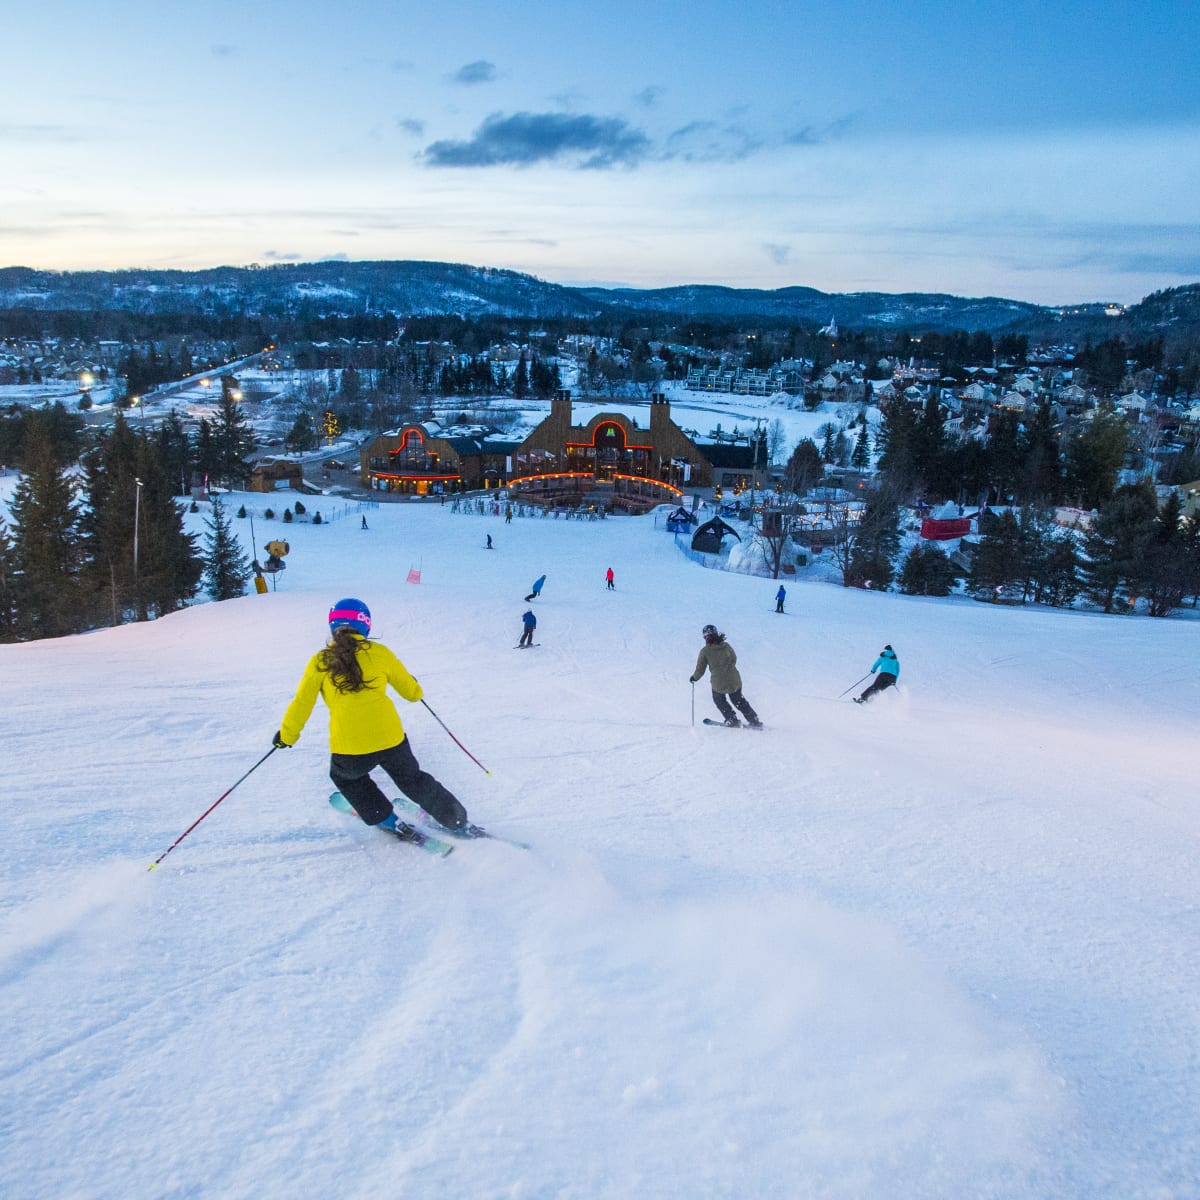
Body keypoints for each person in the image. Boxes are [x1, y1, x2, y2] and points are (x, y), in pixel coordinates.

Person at [273, 598, 469, 832]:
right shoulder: (381, 653)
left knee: (348, 779)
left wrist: (287, 736)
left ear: (333, 626)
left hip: (350, 746)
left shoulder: (320, 661)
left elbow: (302, 703)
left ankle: (384, 817)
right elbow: (411, 693)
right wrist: (414, 686)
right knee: (413, 779)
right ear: (365, 624)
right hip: (391, 738)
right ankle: (456, 820)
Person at [689, 624, 762, 728]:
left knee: (719, 700)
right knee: (738, 700)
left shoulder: (705, 651)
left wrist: (694, 678)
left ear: (705, 637)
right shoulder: (726, 646)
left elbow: (700, 670)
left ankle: (731, 719)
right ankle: (754, 720)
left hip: (719, 682)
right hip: (734, 679)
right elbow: (734, 658)